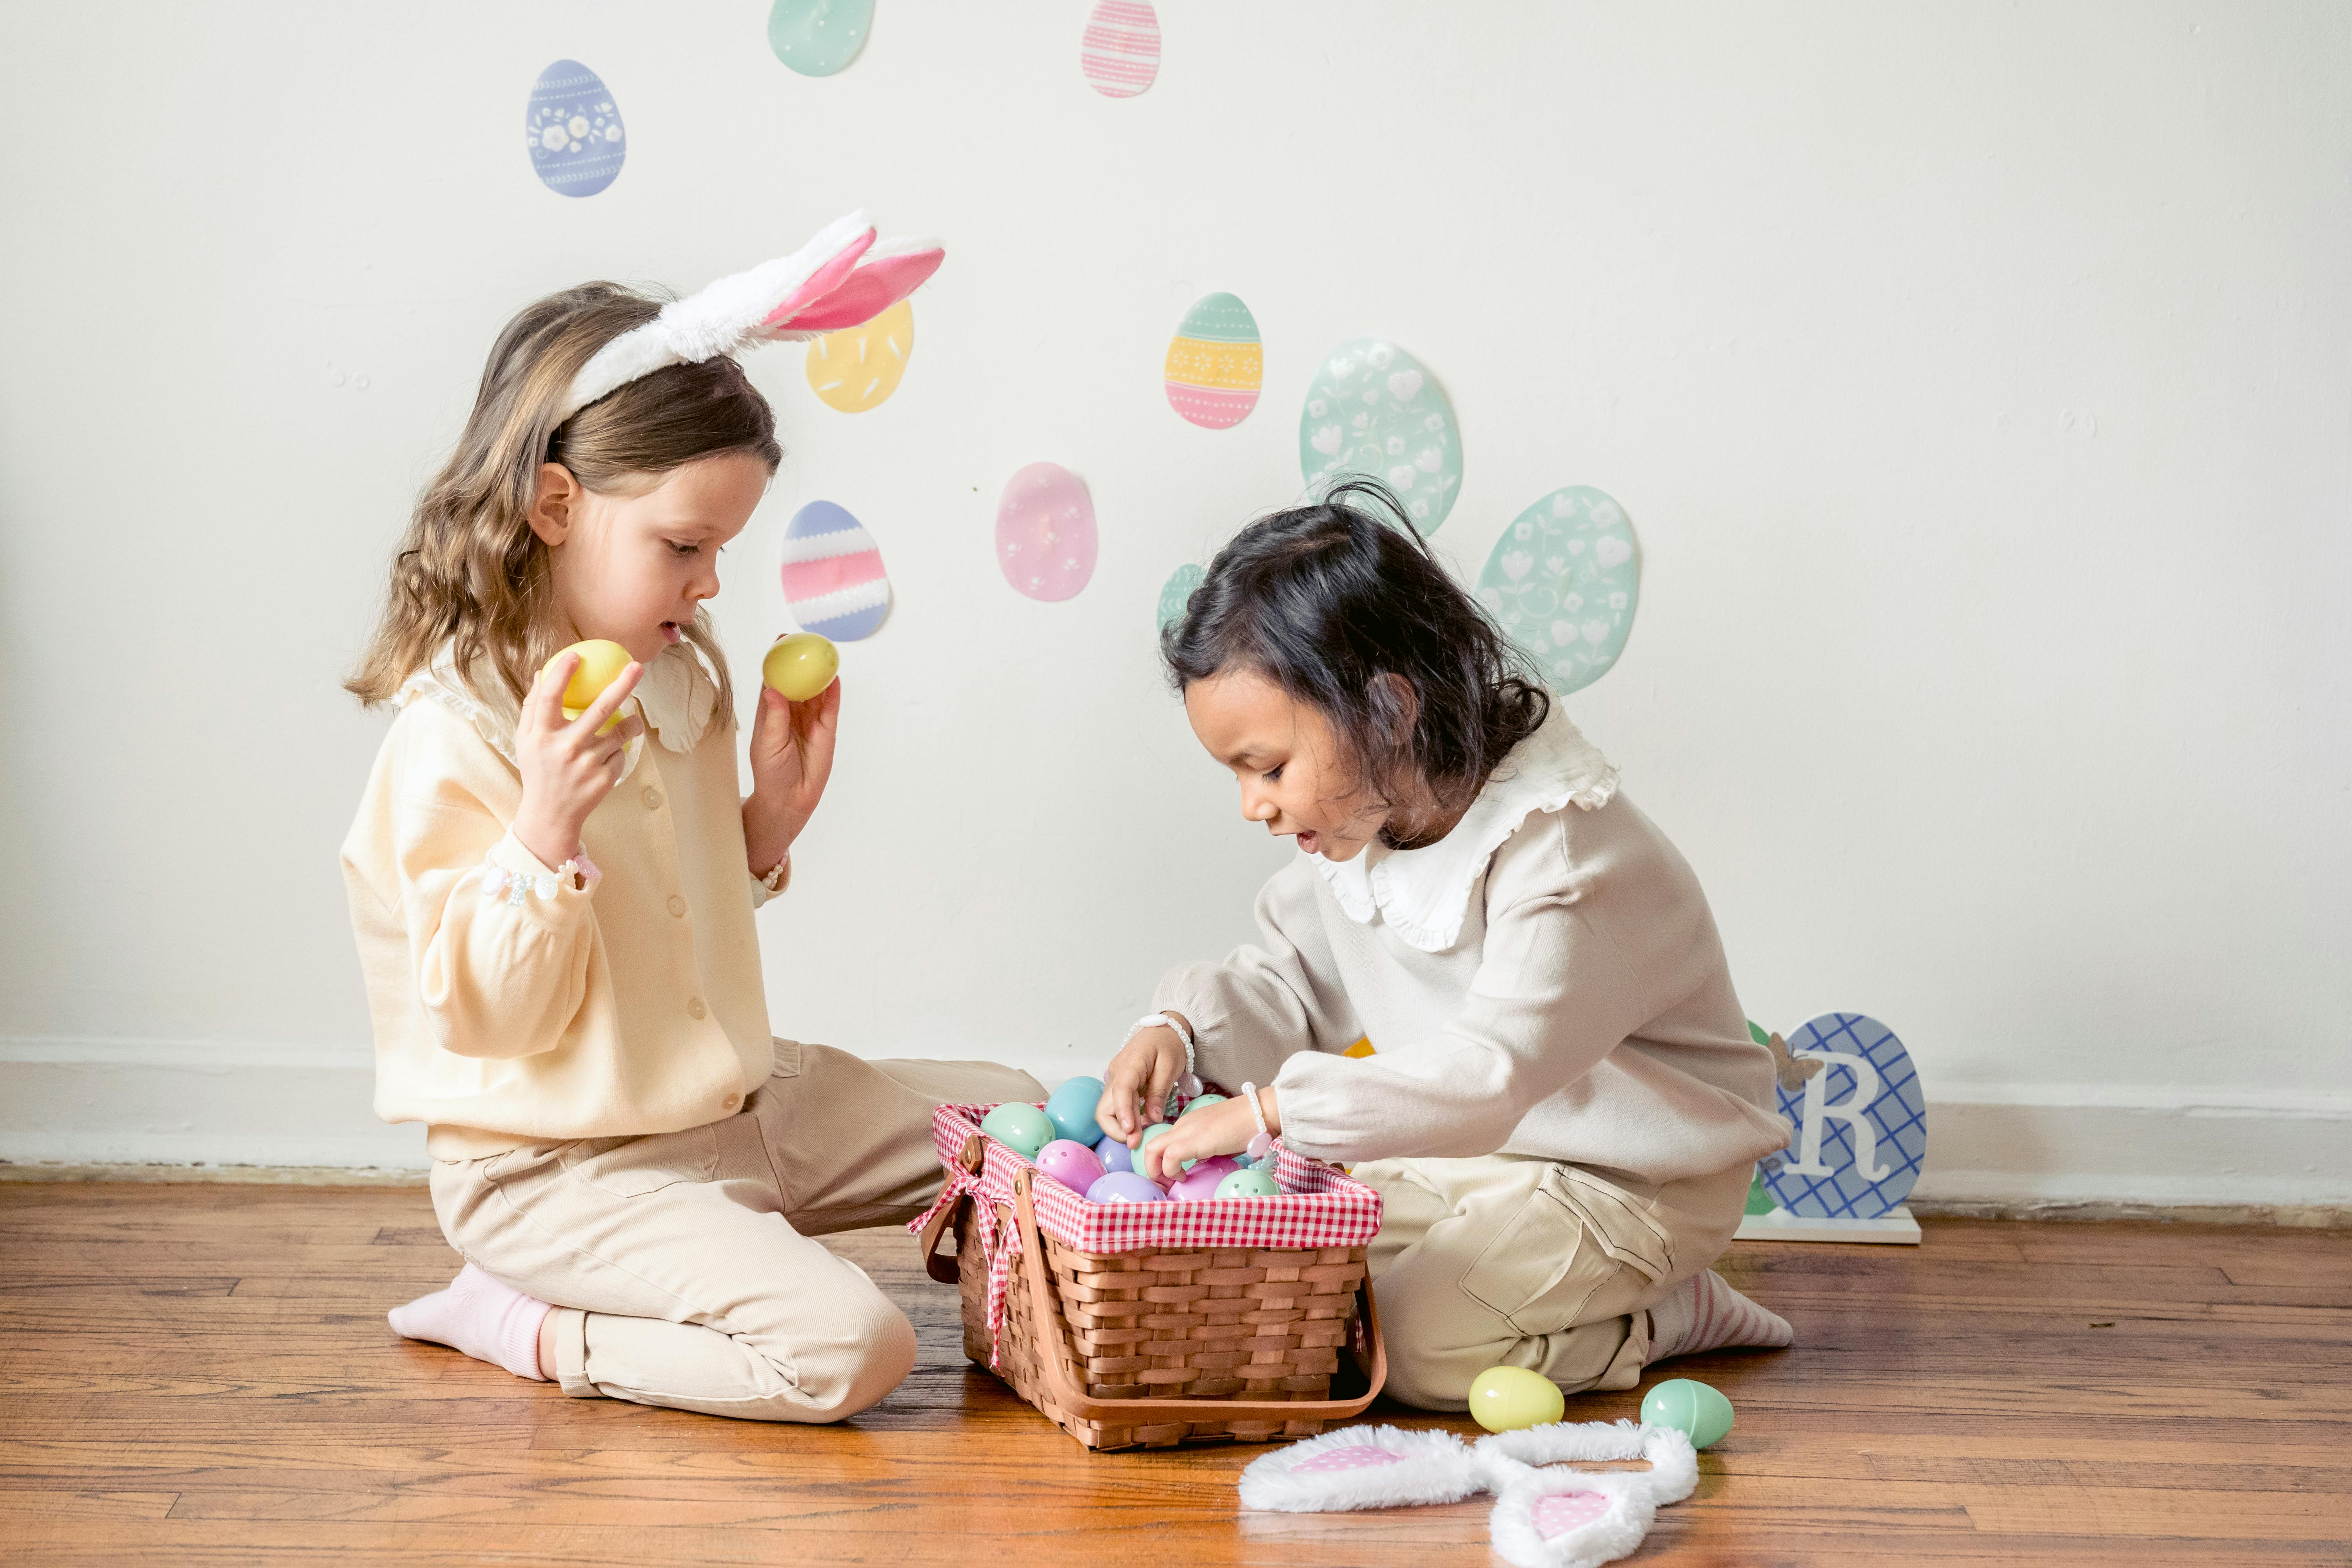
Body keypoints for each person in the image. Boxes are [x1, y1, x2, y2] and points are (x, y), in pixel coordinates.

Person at [340, 227, 1038, 1423]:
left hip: (735, 1115)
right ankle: (525, 1321)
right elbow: (488, 1020)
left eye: (722, 547)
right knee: (851, 1354)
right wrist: (543, 826)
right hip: (557, 1173)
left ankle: (762, 1249)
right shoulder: (458, 732)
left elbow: (672, 919)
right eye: (684, 546)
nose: (711, 582)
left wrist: (764, 825)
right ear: (554, 505)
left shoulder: (677, 677)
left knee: (1016, 1121)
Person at [1098, 480, 1795, 1410]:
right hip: (1483, 1158)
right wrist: (1177, 1028)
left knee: (1419, 1350)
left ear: (1388, 712)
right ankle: (1559, 1291)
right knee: (1312, 1275)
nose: (1252, 805)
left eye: (1268, 767)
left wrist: (1267, 1110)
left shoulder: (1564, 849)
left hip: (1632, 1178)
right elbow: (1287, 979)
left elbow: (1491, 1072)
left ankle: (1665, 1312)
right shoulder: (1365, 821)